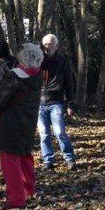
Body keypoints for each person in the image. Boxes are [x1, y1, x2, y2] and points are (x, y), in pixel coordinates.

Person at [0, 43, 44, 209]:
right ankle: (29, 191)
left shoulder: (15, 76)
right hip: (29, 122)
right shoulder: (37, 76)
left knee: (10, 162)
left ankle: (16, 200)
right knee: (25, 156)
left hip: (11, 123)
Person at [39, 34, 77, 170]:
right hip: (40, 103)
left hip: (56, 102)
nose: (48, 47)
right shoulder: (38, 61)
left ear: (56, 46)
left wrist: (70, 104)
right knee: (44, 133)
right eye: (45, 44)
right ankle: (48, 160)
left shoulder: (63, 62)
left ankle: (69, 158)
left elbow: (69, 83)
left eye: (50, 44)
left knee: (59, 132)